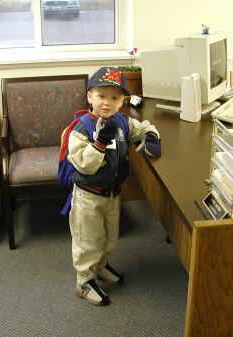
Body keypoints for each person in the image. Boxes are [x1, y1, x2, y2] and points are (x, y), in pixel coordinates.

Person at [67, 66, 161, 306]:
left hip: (112, 194)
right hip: (88, 195)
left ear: (122, 101)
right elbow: (84, 166)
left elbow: (142, 127)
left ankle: (100, 266)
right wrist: (99, 143)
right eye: (101, 96)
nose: (107, 103)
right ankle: (84, 280)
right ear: (89, 96)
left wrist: (150, 135)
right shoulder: (80, 128)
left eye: (114, 98)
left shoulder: (122, 122)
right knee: (88, 240)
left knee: (109, 237)